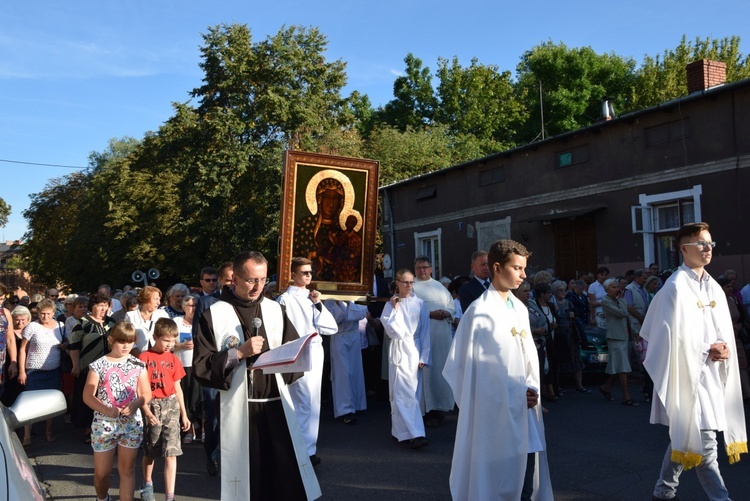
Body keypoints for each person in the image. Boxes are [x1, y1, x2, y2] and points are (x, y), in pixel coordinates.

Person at [193, 251, 321, 501]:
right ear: (235, 279)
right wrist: (238, 353)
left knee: (283, 473)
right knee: (251, 478)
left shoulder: (274, 309)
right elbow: (201, 365)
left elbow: (292, 348)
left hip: (276, 405)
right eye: (251, 280)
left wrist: (297, 354)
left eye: (262, 280)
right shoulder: (215, 314)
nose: (258, 286)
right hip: (239, 409)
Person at [642, 222, 747, 501]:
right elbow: (662, 340)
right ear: (682, 248)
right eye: (701, 243)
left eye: (710, 243)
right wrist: (705, 349)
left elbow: (720, 327)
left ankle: (663, 490)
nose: (707, 248)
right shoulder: (674, 288)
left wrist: (724, 348)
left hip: (712, 375)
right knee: (706, 445)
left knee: (688, 436)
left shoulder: (712, 287)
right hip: (688, 375)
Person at [443, 239, 553, 500]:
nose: (524, 275)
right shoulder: (480, 314)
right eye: (517, 268)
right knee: (498, 484)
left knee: (525, 484)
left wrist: (532, 388)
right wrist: (511, 395)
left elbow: (528, 359)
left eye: (524, 268)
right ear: (496, 267)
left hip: (524, 411)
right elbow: (465, 373)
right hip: (494, 419)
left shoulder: (519, 308)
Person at [277, 257, 338, 464]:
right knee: (301, 399)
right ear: (293, 275)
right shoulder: (285, 299)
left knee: (312, 402)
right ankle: (301, 450)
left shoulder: (313, 298)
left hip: (315, 350)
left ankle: (308, 448)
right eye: (304, 272)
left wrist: (318, 304)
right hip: (296, 350)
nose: (308, 276)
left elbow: (331, 327)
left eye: (310, 272)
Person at [84, 322, 151, 501]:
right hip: (103, 425)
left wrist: (136, 404)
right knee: (102, 474)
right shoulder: (98, 365)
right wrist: (107, 409)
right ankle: (102, 497)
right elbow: (88, 396)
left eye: (130, 342)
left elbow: (146, 393)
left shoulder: (138, 365)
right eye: (122, 342)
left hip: (131, 424)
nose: (126, 346)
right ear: (111, 340)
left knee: (127, 469)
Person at [138, 318, 190, 501]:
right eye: (165, 340)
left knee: (171, 451)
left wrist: (184, 414)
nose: (169, 344)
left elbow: (177, 388)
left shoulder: (174, 359)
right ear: (155, 337)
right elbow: (138, 388)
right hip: (151, 404)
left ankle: (170, 496)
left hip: (171, 406)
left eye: (173, 340)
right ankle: (147, 484)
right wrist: (146, 410)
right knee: (150, 450)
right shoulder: (144, 358)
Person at [380, 268, 431, 449]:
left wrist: (424, 355)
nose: (409, 286)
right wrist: (394, 309)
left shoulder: (419, 303)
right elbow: (392, 330)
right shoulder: (390, 305)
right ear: (398, 283)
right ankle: (417, 433)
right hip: (400, 350)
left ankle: (401, 432)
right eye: (405, 282)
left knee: (413, 392)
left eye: (411, 282)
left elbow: (425, 331)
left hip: (415, 350)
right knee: (402, 392)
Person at [191, 261, 233, 476]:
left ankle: (234, 456)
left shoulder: (243, 303)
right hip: (214, 367)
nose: (231, 285)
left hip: (236, 368)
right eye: (227, 280)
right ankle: (212, 456)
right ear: (220, 281)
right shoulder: (207, 302)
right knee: (213, 415)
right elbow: (198, 335)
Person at [412, 256, 455, 427]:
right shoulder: (411, 286)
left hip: (441, 338)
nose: (422, 270)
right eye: (419, 267)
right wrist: (430, 314)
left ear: (431, 269)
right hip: (423, 337)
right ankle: (424, 410)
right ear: (415, 269)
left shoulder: (440, 287)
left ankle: (438, 407)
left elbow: (452, 306)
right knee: (425, 375)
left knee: (439, 372)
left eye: (425, 267)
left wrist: (446, 313)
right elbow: (408, 310)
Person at [18, 298, 67, 446]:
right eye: (42, 314)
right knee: (29, 403)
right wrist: (22, 371)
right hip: (34, 370)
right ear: (38, 313)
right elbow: (22, 349)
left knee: (50, 403)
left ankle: (48, 431)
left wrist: (64, 345)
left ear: (53, 313)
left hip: (53, 370)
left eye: (48, 313)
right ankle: (27, 435)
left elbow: (67, 342)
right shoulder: (32, 327)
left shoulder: (60, 326)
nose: (45, 317)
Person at [70, 293, 117, 438]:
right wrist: (76, 365)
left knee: (106, 398)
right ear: (92, 307)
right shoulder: (82, 323)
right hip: (88, 368)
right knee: (89, 398)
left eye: (105, 305)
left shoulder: (112, 322)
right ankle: (88, 428)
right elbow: (74, 346)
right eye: (100, 305)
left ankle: (107, 427)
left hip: (109, 368)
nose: (103, 309)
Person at [597, 278, 639, 406]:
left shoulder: (619, 300)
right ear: (606, 290)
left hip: (624, 336)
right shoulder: (605, 302)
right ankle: (626, 396)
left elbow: (625, 316)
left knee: (619, 366)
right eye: (614, 287)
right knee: (622, 368)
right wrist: (621, 300)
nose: (617, 289)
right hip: (615, 338)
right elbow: (622, 313)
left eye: (617, 287)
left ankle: (605, 387)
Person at [326, 299, 368, 424]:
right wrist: (339, 303)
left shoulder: (355, 297)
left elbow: (361, 314)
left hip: (354, 336)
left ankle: (358, 403)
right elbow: (334, 320)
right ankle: (345, 409)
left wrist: (349, 303)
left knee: (356, 371)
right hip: (339, 336)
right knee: (343, 373)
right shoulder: (330, 300)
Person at [174, 293, 203, 443]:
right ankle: (189, 430)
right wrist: (182, 345)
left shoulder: (202, 321)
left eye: (196, 305)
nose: (193, 308)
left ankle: (204, 430)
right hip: (183, 366)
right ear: (184, 307)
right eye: (191, 305)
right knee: (186, 398)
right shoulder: (177, 322)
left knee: (201, 398)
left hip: (200, 365)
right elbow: (169, 344)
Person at [127, 286, 169, 354]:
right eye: (156, 299)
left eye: (159, 299)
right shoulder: (130, 316)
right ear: (146, 299)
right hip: (137, 356)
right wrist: (139, 356)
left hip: (158, 355)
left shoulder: (163, 314)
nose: (158, 303)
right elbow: (128, 339)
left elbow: (168, 335)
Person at [0, 284, 18, 398]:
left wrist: (13, 362)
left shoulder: (5, 312)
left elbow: (10, 339)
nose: (1, 300)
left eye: (2, 298)